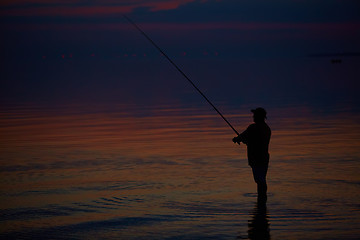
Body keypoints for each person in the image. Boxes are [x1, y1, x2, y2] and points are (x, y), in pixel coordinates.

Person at [233, 107, 271, 200]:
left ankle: (261, 199)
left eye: (254, 115)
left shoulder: (252, 127)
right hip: (264, 158)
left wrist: (236, 139)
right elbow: (256, 141)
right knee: (261, 179)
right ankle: (262, 198)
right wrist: (246, 141)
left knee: (259, 180)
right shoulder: (267, 128)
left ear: (258, 116)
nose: (253, 117)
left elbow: (241, 137)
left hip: (255, 158)